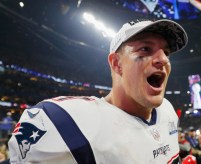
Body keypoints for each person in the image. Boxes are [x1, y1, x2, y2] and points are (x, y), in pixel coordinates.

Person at [8, 19, 188, 163]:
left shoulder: (167, 111)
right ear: (117, 64)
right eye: (145, 49)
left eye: (166, 52)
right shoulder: (66, 123)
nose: (163, 59)